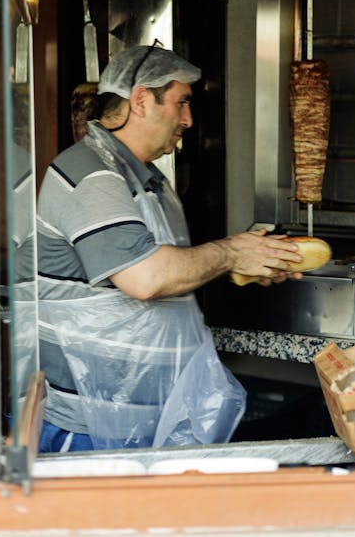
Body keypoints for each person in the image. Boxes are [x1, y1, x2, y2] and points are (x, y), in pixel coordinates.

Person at [37, 43, 303, 453]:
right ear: (141, 99)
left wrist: (250, 263)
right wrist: (232, 252)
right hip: (92, 427)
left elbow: (172, 271)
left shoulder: (150, 181)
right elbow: (146, 279)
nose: (189, 120)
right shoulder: (93, 175)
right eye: (181, 103)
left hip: (149, 416)